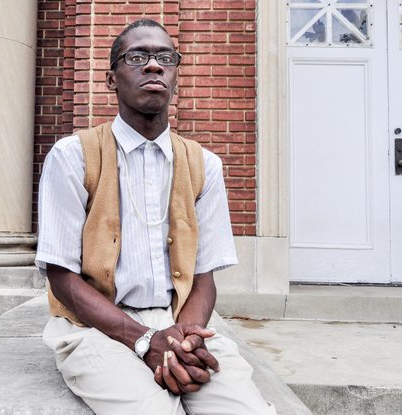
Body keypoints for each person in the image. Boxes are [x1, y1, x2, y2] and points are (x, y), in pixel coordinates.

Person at [35, 18, 276, 415]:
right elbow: (63, 280)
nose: (153, 65)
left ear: (175, 76)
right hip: (91, 327)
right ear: (111, 79)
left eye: (165, 57)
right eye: (137, 56)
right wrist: (146, 340)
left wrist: (187, 341)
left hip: (179, 321)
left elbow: (203, 277)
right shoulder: (72, 156)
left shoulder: (204, 165)